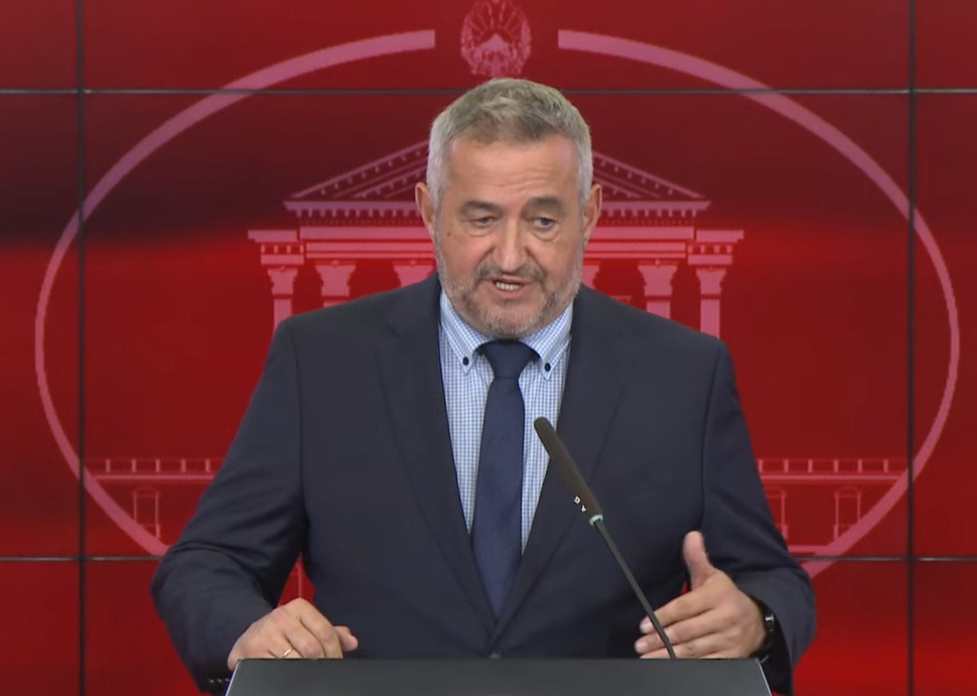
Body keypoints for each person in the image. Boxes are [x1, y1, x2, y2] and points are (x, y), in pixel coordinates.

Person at [152, 77, 815, 695]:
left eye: (543, 220)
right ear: (428, 211)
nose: (511, 256)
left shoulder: (684, 374)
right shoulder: (322, 361)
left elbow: (774, 581)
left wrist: (753, 620)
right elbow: (207, 562)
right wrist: (249, 630)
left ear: (590, 214)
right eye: (481, 219)